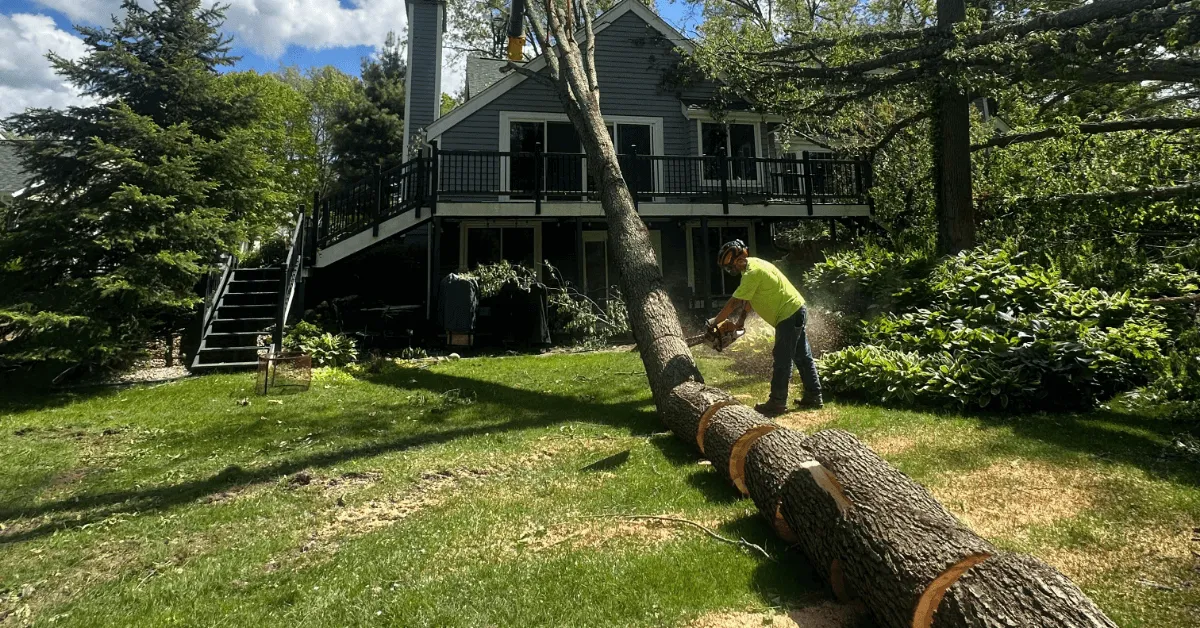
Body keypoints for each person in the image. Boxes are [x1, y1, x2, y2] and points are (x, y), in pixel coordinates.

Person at [707, 239, 822, 415]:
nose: (732, 268)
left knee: (782, 358)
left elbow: (734, 302)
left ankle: (777, 402)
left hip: (788, 314)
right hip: (795, 309)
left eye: (732, 264)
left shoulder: (752, 272)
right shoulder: (753, 266)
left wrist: (715, 321)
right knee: (802, 355)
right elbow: (749, 299)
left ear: (740, 258)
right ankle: (814, 395)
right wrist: (741, 320)